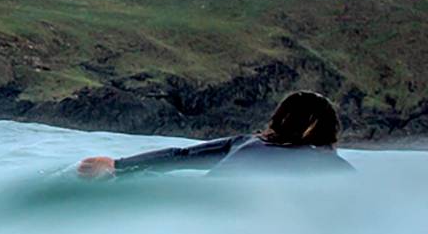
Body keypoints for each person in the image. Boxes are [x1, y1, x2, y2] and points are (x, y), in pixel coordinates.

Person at [76, 90, 352, 178]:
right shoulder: (330, 166)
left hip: (196, 202)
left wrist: (117, 164)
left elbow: (180, 156)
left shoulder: (245, 143)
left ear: (278, 119)